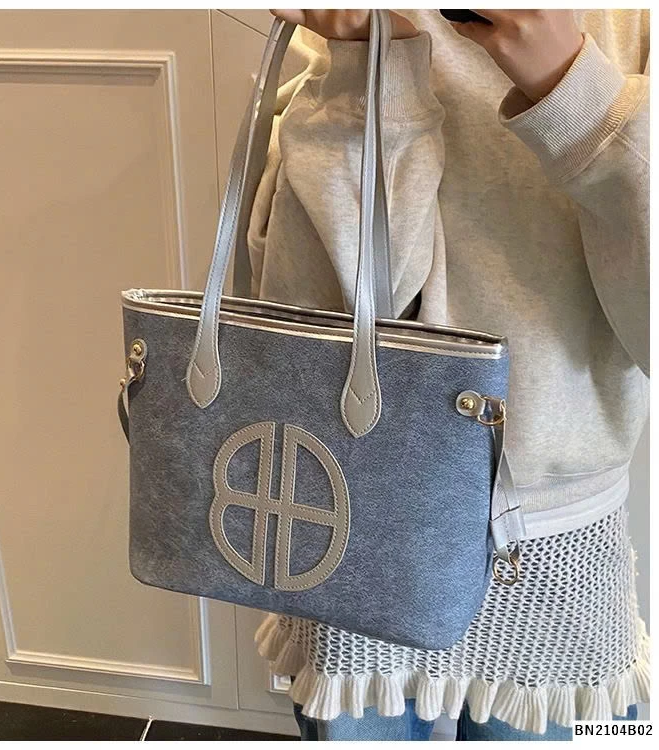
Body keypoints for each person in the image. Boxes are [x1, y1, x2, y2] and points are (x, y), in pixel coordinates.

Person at [245, 8, 650, 741]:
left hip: (557, 540)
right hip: (355, 507)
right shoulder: (344, 19)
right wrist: (365, 72)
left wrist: (578, 97)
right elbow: (311, 332)